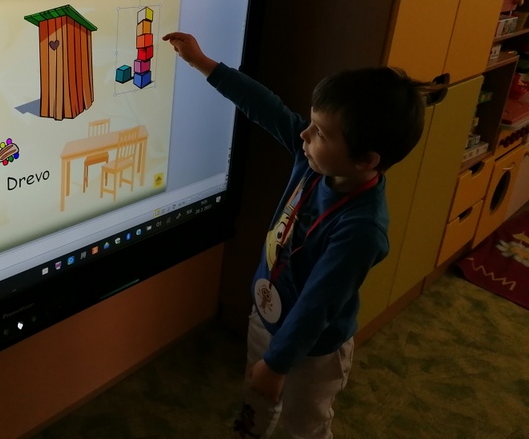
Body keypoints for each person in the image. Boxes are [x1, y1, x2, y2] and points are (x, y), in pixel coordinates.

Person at [163, 32, 436, 439]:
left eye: (321, 132)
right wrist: (204, 63)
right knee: (257, 395)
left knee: (304, 421)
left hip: (314, 350)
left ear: (366, 160)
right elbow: (266, 107)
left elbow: (317, 305)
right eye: (310, 124)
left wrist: (278, 365)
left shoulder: (361, 229)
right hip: (267, 313)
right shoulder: (315, 161)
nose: (305, 135)